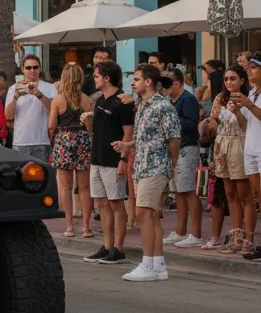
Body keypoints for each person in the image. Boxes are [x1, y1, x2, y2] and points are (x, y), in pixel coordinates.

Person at [113, 64, 181, 281]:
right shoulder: (142, 104)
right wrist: (129, 145)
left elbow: (174, 139)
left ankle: (148, 264)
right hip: (142, 164)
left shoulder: (163, 105)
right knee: (150, 213)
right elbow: (148, 136)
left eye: (137, 79)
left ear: (148, 81)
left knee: (142, 211)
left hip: (156, 165)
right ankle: (158, 264)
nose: (133, 83)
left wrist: (171, 163)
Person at [82, 60, 134, 264]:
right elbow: (96, 132)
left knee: (116, 203)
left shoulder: (122, 102)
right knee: (102, 203)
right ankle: (107, 245)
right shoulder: (100, 100)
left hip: (114, 159)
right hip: (97, 157)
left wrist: (123, 159)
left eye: (96, 76)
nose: (93, 79)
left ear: (107, 77)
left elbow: (128, 132)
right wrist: (88, 124)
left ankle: (119, 249)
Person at [203, 65, 255, 254]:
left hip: (240, 145)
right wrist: (209, 124)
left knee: (244, 195)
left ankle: (248, 238)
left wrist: (237, 111)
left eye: (232, 78)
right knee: (230, 194)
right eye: (226, 79)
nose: (228, 82)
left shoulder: (248, 98)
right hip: (221, 145)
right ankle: (236, 235)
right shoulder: (220, 97)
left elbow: (248, 127)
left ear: (242, 80)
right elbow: (215, 123)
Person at [49, 63, 94, 238]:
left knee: (65, 188)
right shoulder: (85, 99)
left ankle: (69, 226)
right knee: (84, 187)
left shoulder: (58, 100)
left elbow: (51, 126)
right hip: (82, 139)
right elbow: (90, 124)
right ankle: (86, 227)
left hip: (64, 140)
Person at [162, 69, 204, 248]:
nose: (163, 89)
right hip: (177, 149)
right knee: (179, 191)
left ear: (176, 83)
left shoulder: (187, 99)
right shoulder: (171, 100)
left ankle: (196, 233)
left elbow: (190, 123)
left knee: (188, 190)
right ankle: (180, 231)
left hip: (187, 147)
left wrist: (172, 123)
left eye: (166, 85)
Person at [4, 54, 56, 162]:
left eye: (35, 67)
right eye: (28, 68)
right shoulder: (13, 88)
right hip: (21, 142)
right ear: (22, 69)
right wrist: (15, 97)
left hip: (42, 142)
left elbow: (55, 111)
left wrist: (39, 94)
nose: (32, 70)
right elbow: (8, 116)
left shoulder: (49, 87)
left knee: (44, 178)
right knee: (20, 178)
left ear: (40, 69)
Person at [234, 56, 261, 260]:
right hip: (251, 147)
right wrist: (237, 112)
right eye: (249, 67)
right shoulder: (252, 92)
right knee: (257, 195)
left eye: (254, 68)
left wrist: (250, 105)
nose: (249, 71)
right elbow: (246, 125)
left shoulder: (252, 97)